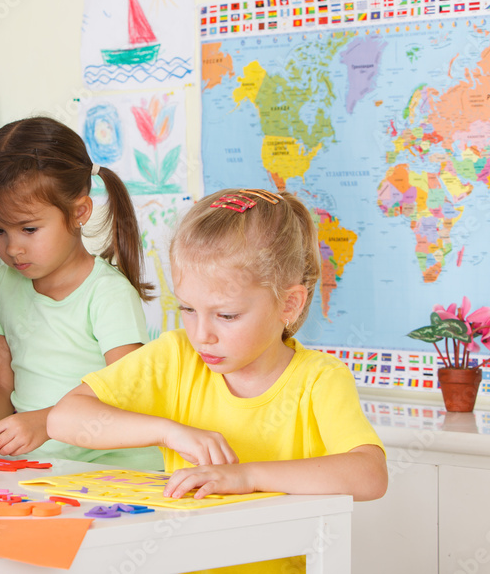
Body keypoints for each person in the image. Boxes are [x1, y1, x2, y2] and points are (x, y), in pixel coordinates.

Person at [48, 187, 388, 574]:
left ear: (289, 304)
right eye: (188, 309)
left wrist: (247, 476)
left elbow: (370, 474)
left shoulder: (320, 379)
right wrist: (167, 432)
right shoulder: (177, 355)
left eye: (226, 315)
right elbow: (63, 419)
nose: (202, 334)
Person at [0, 117, 162, 469]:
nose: (13, 248)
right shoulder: (2, 283)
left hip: (115, 471)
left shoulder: (107, 294)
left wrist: (46, 423)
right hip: (41, 469)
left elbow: (127, 395)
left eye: (29, 229)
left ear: (79, 212)